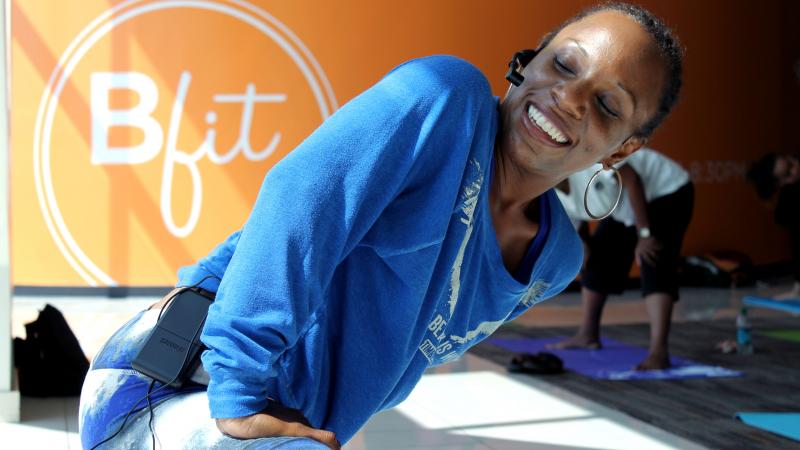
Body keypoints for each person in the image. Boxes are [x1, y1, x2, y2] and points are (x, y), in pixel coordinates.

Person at [79, 3, 684, 449]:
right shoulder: (446, 98)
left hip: (287, 421)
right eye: (563, 64)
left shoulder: (553, 264)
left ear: (622, 150)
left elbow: (392, 349)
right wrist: (238, 394)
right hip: (179, 377)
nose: (569, 98)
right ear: (527, 66)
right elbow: (297, 202)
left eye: (608, 105)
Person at [551, 148, 694, 370]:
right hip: (622, 207)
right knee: (597, 261)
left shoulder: (586, 156)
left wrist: (644, 234)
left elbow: (632, 179)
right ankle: (588, 334)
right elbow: (578, 224)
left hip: (666, 190)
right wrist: (584, 249)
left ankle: (659, 352)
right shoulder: (550, 194)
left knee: (652, 258)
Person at [747, 153, 800, 299]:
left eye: (791, 163)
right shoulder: (789, 197)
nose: (795, 170)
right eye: (787, 173)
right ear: (780, 184)